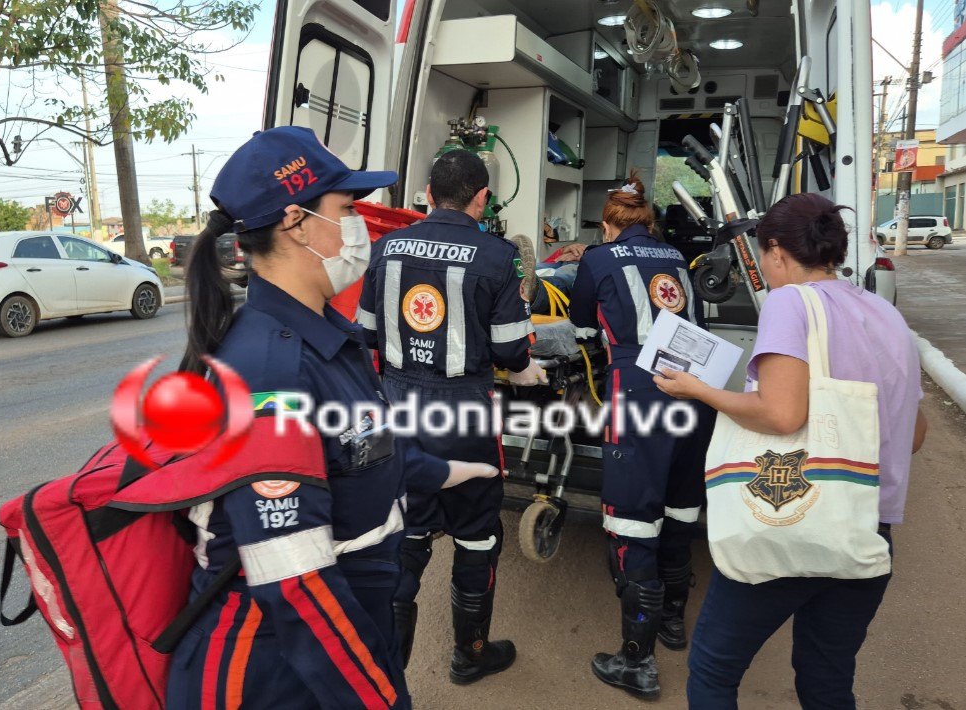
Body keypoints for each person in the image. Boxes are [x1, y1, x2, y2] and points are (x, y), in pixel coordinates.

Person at [167, 126, 498, 710]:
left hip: (344, 630)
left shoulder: (327, 337)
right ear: (297, 223)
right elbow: (298, 588)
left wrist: (446, 471)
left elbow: (360, 446)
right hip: (277, 671)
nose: (359, 225)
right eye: (346, 208)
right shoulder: (271, 374)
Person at [654, 193, 927, 709]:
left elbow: (781, 414)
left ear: (776, 250)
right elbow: (913, 434)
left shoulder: (790, 302)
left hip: (793, 521)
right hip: (868, 533)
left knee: (713, 668)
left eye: (762, 256)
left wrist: (699, 390)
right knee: (826, 681)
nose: (762, 267)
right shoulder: (885, 314)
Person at [357, 149, 546, 685]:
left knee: (406, 530)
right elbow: (510, 349)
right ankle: (471, 655)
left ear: (427, 195)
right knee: (477, 533)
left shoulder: (386, 248)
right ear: (482, 197)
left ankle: (385, 674)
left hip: (397, 410)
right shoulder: (497, 255)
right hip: (464, 416)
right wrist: (524, 370)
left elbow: (366, 333)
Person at [568, 172, 715, 699]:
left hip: (640, 394)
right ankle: (672, 620)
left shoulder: (598, 258)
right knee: (679, 509)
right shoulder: (676, 258)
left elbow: (584, 329)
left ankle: (637, 661)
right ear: (648, 224)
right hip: (694, 390)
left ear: (608, 225)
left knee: (633, 523)